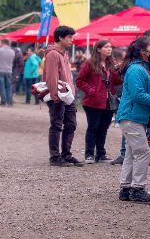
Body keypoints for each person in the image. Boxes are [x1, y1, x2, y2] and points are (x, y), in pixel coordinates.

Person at [116, 36, 150, 203]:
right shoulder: (136, 70)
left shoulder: (143, 68)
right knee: (143, 151)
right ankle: (137, 189)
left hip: (135, 116)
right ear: (143, 51)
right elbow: (138, 95)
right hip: (131, 116)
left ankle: (126, 188)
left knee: (132, 153)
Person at [43, 25, 84, 166]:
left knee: (71, 124)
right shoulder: (53, 54)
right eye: (69, 37)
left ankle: (66, 154)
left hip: (68, 95)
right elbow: (51, 77)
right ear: (60, 37)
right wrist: (55, 96)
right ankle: (54, 157)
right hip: (58, 96)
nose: (72, 40)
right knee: (56, 125)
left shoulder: (64, 53)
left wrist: (71, 92)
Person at [75, 39, 121, 163]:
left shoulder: (112, 64)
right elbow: (79, 81)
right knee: (93, 127)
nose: (109, 49)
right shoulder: (89, 63)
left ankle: (100, 154)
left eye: (110, 47)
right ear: (98, 49)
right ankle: (89, 154)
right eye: (106, 47)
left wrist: (120, 70)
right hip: (93, 102)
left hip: (108, 102)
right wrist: (90, 90)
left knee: (104, 128)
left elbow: (117, 81)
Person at [0, 38, 15, 106]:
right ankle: (9, 102)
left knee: (1, 86)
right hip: (9, 70)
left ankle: (3, 101)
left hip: (0, 70)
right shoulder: (12, 51)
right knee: (8, 86)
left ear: (2, 43)